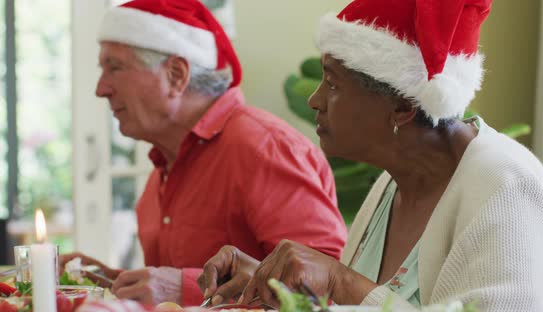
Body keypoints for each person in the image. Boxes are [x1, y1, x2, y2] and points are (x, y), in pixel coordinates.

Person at [198, 0, 543, 310]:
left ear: (403, 105)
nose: (316, 100)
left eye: (333, 83)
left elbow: (360, 294)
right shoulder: (392, 182)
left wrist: (339, 280)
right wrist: (276, 289)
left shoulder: (506, 188)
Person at [60, 0, 348, 307]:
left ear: (176, 74)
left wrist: (184, 289)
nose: (101, 88)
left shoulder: (264, 148)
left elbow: (325, 293)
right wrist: (110, 282)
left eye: (114, 67)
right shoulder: (163, 168)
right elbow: (168, 289)